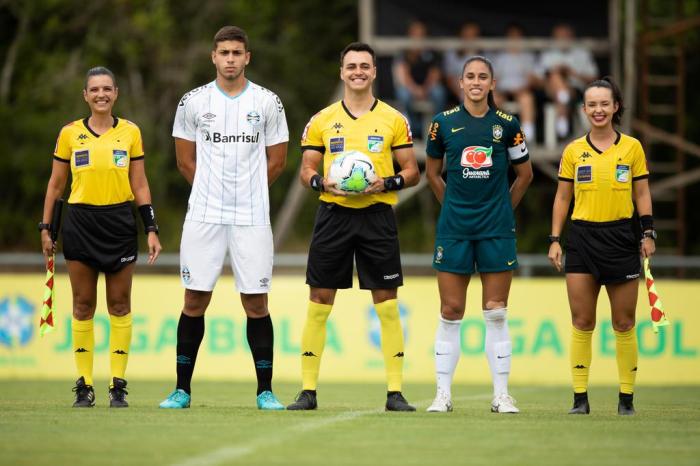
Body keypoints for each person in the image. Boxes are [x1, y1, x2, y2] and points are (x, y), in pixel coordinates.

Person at [158, 26, 289, 410]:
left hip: (251, 215)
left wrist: (246, 192)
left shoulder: (268, 102)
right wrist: (213, 192)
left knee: (256, 302)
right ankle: (181, 390)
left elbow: (277, 161)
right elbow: (185, 161)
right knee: (195, 298)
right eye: (224, 53)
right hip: (204, 214)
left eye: (237, 52)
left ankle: (265, 391)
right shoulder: (193, 102)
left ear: (247, 57)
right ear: (213, 57)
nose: (230, 58)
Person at [286, 42, 420, 412]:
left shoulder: (394, 118)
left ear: (374, 72)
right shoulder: (323, 120)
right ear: (341, 72)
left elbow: (412, 171)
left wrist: (387, 182)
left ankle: (395, 392)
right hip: (334, 215)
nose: (358, 71)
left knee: (387, 304)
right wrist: (320, 183)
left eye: (365, 66)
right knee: (319, 302)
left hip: (377, 215)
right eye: (351, 66)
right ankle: (308, 391)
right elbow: (306, 171)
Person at [41, 66, 162, 408]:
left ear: (116, 93)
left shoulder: (131, 132)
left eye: (107, 89)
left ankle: (118, 385)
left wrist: (150, 227)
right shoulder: (69, 134)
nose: (101, 95)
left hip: (120, 222)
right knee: (82, 305)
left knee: (120, 304)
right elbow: (55, 185)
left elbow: (139, 184)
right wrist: (46, 227)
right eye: (94, 89)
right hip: (80, 223)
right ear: (85, 95)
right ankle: (84, 385)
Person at [424, 56, 533, 413]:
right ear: (460, 82)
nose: (475, 82)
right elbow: (433, 174)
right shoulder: (442, 124)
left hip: (496, 229)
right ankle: (443, 395)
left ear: (492, 83)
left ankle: (501, 395)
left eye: (482, 76)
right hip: (455, 228)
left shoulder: (507, 124)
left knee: (496, 311)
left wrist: (502, 209)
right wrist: (451, 206)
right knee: (451, 310)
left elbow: (525, 175)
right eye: (469, 76)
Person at [548, 77, 655, 416]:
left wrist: (647, 233)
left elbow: (641, 194)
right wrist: (554, 239)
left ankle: (627, 400)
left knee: (624, 323)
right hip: (581, 240)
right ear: (584, 109)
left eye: (604, 104)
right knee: (582, 321)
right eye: (592, 104)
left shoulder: (632, 148)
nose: (598, 110)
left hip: (621, 238)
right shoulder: (573, 150)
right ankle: (580, 400)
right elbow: (563, 196)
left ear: (615, 107)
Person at [535, 23, 598, 139]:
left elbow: (593, 78)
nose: (562, 40)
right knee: (555, 76)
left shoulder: (582, 53)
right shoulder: (548, 53)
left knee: (558, 81)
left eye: (565, 36)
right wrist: (551, 74)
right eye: (559, 37)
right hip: (550, 91)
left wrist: (571, 73)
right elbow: (537, 79)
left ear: (572, 37)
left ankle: (562, 101)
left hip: (576, 89)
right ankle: (563, 102)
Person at [393, 20, 447, 138]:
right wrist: (415, 89)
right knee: (402, 94)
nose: (417, 37)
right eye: (415, 34)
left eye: (421, 34)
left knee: (439, 92)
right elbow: (402, 75)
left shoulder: (432, 52)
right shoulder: (403, 52)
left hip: (428, 87)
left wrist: (425, 89)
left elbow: (435, 74)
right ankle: (414, 127)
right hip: (410, 87)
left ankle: (436, 127)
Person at [492, 23, 537, 141]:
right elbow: (494, 78)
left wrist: (523, 88)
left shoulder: (528, 56)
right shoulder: (499, 57)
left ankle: (528, 136)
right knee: (493, 99)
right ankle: (496, 135)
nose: (514, 40)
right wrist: (498, 90)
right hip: (503, 90)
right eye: (511, 36)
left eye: (517, 36)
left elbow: (531, 79)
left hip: (521, 90)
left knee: (527, 99)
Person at [444, 21, 484, 103]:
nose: (469, 38)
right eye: (467, 35)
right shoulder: (452, 54)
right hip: (460, 89)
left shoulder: (484, 54)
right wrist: (460, 93)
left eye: (472, 35)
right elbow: (449, 79)